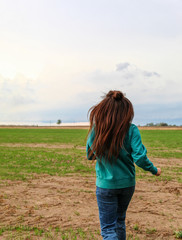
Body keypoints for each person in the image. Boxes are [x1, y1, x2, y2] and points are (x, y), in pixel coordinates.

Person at [86, 90, 161, 240]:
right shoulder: (131, 129)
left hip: (105, 185)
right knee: (119, 222)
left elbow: (90, 155)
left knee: (108, 229)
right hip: (127, 184)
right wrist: (154, 170)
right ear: (127, 111)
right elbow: (139, 157)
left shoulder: (97, 129)